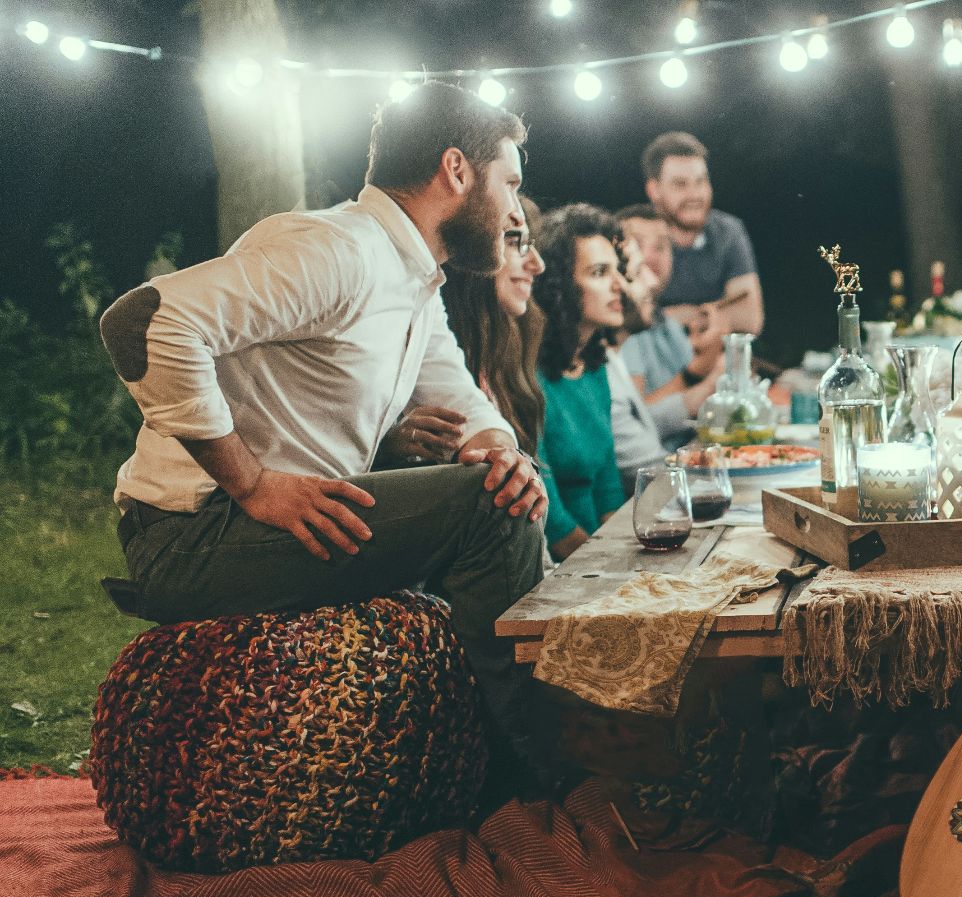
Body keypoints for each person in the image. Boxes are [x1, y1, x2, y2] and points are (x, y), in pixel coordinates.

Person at [95, 82, 557, 788]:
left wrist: (500, 452)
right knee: (490, 511)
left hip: (274, 528)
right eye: (511, 184)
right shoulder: (339, 251)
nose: (516, 210)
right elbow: (143, 322)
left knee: (501, 485)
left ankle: (494, 753)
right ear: (457, 170)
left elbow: (460, 397)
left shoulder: (413, 278)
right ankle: (535, 774)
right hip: (192, 536)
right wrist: (251, 482)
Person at [532, 203, 661, 560]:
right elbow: (552, 522)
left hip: (599, 551)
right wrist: (609, 566)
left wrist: (625, 554)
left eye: (617, 270)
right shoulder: (529, 376)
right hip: (559, 567)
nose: (620, 285)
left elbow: (608, 491)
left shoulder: (593, 366)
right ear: (559, 285)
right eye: (600, 272)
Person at [384, 199, 548, 466]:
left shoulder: (509, 353)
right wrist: (383, 447)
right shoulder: (417, 349)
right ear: (470, 251)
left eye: (530, 244)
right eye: (514, 242)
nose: (537, 264)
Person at [614, 202, 719, 451]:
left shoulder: (665, 322)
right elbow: (631, 424)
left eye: (661, 247)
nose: (649, 258)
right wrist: (700, 379)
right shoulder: (622, 327)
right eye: (637, 245)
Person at [644, 132, 764, 340]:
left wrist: (675, 316)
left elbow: (751, 319)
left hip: (714, 355)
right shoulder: (636, 234)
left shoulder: (728, 231)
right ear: (654, 190)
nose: (694, 194)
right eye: (680, 184)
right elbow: (624, 321)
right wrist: (714, 314)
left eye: (700, 181)